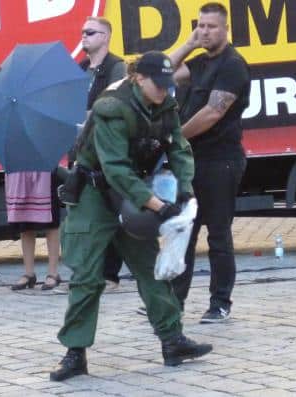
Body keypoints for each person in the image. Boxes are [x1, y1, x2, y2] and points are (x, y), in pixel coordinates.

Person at [50, 51, 212, 382]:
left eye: (168, 84)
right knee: (87, 276)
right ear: (139, 79)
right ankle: (75, 353)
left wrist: (185, 190)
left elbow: (178, 147)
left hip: (134, 191)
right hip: (95, 193)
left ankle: (172, 341)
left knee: (151, 268)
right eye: (158, 84)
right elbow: (115, 169)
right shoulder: (111, 106)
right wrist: (157, 205)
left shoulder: (164, 102)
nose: (165, 91)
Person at [169, 2, 250, 323]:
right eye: (200, 26)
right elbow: (161, 76)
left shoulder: (233, 65)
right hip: (192, 162)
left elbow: (213, 113)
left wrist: (177, 138)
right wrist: (188, 44)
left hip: (221, 161)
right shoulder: (200, 62)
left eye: (211, 26)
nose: (204, 31)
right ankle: (173, 303)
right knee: (183, 233)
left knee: (218, 235)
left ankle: (220, 303)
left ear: (225, 30)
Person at [79, 16, 127, 291]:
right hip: (83, 148)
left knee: (111, 210)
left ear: (106, 36)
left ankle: (111, 274)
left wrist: (88, 114)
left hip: (107, 149)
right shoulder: (81, 68)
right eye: (83, 32)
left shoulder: (116, 66)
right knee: (88, 212)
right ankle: (91, 271)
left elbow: (113, 104)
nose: (84, 36)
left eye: (90, 32)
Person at [5, 171, 61, 290]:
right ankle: (29, 273)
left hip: (45, 169)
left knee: (51, 222)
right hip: (20, 170)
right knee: (24, 221)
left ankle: (53, 273)